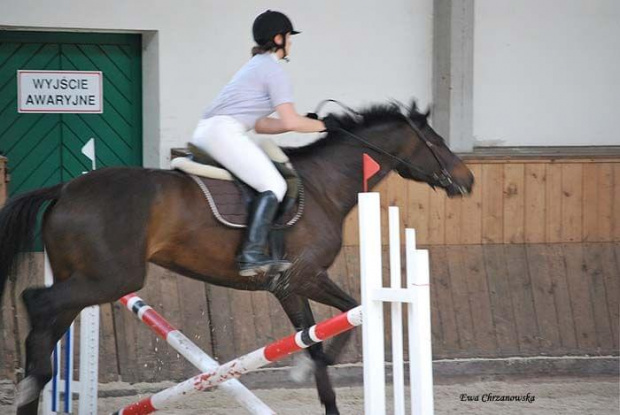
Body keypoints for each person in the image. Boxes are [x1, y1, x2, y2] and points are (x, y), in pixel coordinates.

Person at [190, 10, 336, 277]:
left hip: (209, 131)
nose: (291, 43)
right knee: (275, 184)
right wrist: (326, 125)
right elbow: (290, 122)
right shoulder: (273, 70)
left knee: (265, 180)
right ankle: (251, 254)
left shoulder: (255, 66)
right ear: (279, 38)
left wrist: (307, 121)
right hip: (224, 132)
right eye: (289, 37)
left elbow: (262, 124)